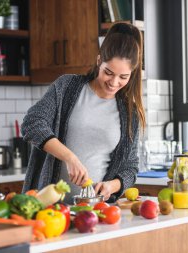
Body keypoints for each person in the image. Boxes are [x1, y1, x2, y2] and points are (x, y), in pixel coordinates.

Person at [21, 22, 145, 203]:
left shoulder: (130, 112)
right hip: (50, 209)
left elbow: (130, 167)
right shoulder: (67, 87)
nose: (114, 82)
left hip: (96, 211)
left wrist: (112, 185)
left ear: (131, 74)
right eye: (108, 72)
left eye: (123, 77)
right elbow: (32, 123)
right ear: (98, 61)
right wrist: (69, 157)